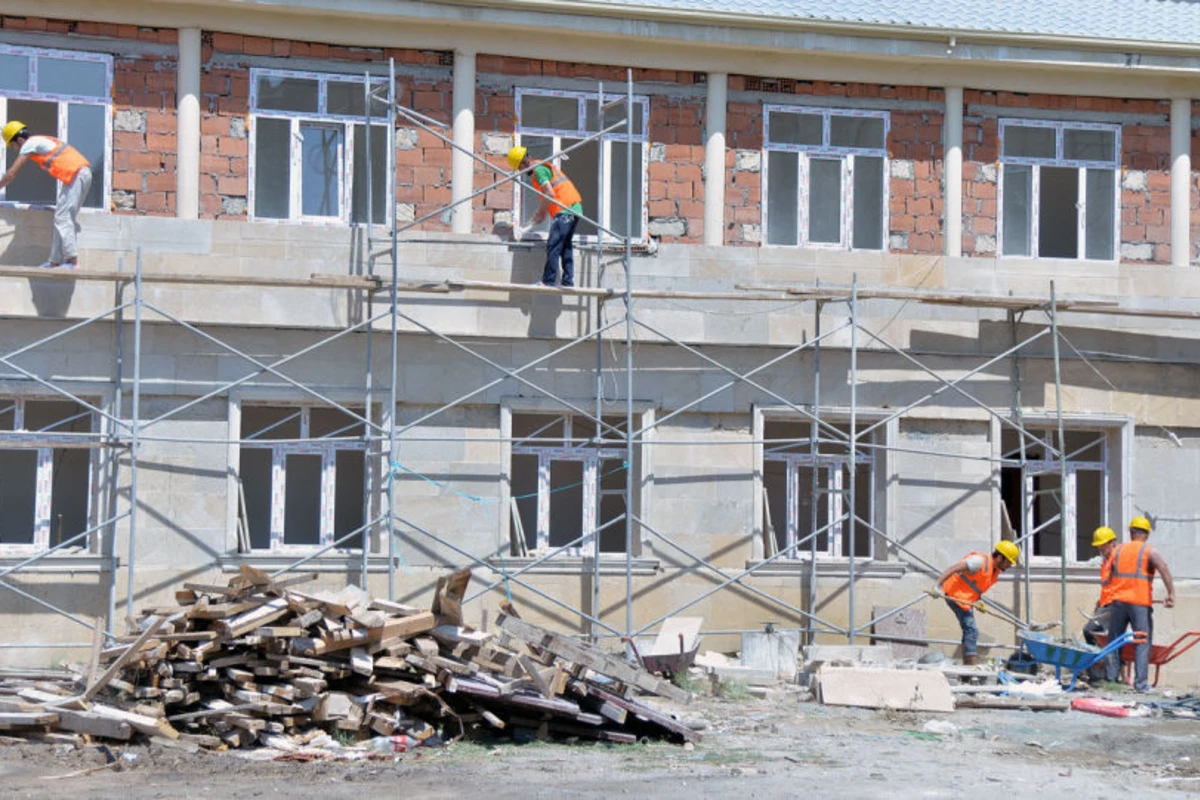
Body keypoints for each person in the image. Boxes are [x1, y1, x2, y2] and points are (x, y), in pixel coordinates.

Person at [0, 121, 92, 269]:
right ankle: (55, 262)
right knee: (61, 217)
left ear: (20, 140)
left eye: (14, 145)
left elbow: (11, 174)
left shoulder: (30, 144)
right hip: (75, 176)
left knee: (62, 218)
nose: (15, 149)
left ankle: (72, 262)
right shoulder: (39, 141)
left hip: (76, 175)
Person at [1105, 515, 1175, 691]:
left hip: (1119, 602)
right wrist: (1171, 593)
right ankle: (1141, 684)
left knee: (1114, 640)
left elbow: (1108, 575)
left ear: (1131, 532)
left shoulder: (1118, 551)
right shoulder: (1149, 552)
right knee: (1142, 642)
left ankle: (1111, 680)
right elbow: (1163, 567)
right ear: (1147, 535)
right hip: (1139, 604)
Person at [932, 541, 1020, 665]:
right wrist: (937, 586)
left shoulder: (994, 570)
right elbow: (953, 568)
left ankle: (968, 667)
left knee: (969, 631)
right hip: (955, 595)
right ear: (1000, 558)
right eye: (1009, 561)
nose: (1010, 565)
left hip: (965, 600)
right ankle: (971, 668)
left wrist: (978, 602)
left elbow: (973, 586)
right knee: (972, 631)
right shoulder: (978, 562)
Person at [507, 146, 582, 288]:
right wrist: (541, 211)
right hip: (574, 208)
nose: (520, 171)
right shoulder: (542, 165)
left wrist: (541, 211)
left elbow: (550, 193)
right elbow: (549, 196)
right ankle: (568, 281)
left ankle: (548, 281)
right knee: (565, 246)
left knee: (553, 245)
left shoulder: (538, 171)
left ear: (524, 162)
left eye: (519, 168)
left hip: (564, 209)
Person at [1082, 526, 1119, 681]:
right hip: (1105, 604)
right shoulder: (1105, 560)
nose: (1100, 548)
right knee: (1092, 632)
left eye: (1103, 544)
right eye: (1099, 545)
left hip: (1114, 604)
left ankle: (1111, 676)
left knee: (1109, 639)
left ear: (1112, 542)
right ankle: (1100, 665)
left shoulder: (1118, 558)